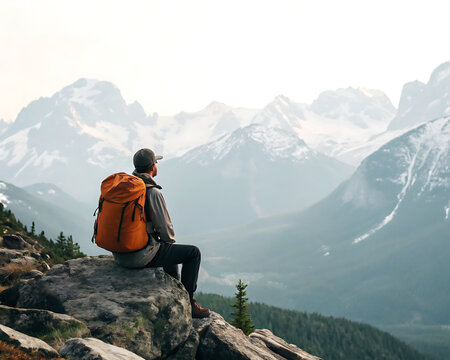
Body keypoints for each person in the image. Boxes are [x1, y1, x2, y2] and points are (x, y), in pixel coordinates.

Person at [112, 148, 210, 318]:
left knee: (166, 248)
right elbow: (166, 232)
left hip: (120, 254)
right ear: (152, 167)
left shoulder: (127, 187)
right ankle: (188, 302)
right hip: (138, 256)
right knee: (192, 253)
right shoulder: (152, 192)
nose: (156, 165)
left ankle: (175, 293)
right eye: (156, 162)